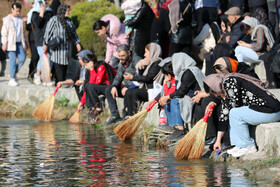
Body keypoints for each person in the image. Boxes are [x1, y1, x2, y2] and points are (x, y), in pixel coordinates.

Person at [204, 73, 280, 157]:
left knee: (235, 113)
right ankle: (238, 145)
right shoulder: (226, 86)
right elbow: (224, 113)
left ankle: (247, 146)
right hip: (268, 111)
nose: (216, 95)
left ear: (215, 86)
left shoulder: (230, 82)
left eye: (214, 92)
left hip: (271, 111)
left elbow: (232, 107)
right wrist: (218, 141)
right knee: (233, 112)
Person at [159, 53, 205, 141]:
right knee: (170, 100)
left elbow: (181, 91)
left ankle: (180, 130)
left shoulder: (190, 72)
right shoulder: (183, 72)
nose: (173, 66)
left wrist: (167, 97)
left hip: (198, 96)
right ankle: (175, 127)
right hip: (190, 95)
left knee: (175, 100)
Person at [43, 4, 81, 84]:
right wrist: (45, 44)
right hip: (57, 52)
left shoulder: (69, 21)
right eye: (68, 11)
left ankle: (59, 87)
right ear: (62, 11)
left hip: (67, 52)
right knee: (60, 74)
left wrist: (77, 43)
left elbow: (74, 33)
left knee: (64, 72)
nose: (69, 12)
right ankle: (59, 89)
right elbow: (48, 33)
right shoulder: (54, 20)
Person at [104, 44, 141, 126]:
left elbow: (140, 78)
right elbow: (118, 76)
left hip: (135, 87)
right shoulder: (122, 62)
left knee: (127, 92)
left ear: (129, 53)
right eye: (119, 56)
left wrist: (130, 87)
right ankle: (115, 116)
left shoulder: (137, 60)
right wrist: (114, 86)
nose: (121, 58)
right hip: (126, 86)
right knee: (108, 89)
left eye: (123, 55)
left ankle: (126, 116)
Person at [123, 43, 162, 118]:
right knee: (128, 91)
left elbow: (148, 78)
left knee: (134, 92)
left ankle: (133, 115)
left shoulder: (157, 63)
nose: (144, 55)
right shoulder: (150, 62)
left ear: (152, 52)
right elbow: (142, 78)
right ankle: (128, 114)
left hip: (153, 91)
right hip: (147, 89)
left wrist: (132, 77)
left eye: (146, 52)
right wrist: (140, 67)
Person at [77, 54, 116, 124]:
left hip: (110, 86)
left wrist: (92, 70)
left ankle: (97, 107)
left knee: (90, 86)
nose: (85, 67)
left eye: (86, 65)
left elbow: (96, 83)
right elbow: (88, 87)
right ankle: (92, 108)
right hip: (101, 86)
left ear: (91, 62)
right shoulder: (90, 70)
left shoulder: (101, 66)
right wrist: (82, 102)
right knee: (87, 86)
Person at [1, 3, 27, 87]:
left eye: (19, 11)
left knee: (22, 58)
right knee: (12, 60)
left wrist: (25, 42)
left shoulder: (20, 19)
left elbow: (22, 32)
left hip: (19, 43)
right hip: (10, 43)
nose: (18, 13)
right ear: (12, 9)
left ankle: (13, 72)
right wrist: (4, 43)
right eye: (16, 11)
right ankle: (12, 79)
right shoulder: (7, 19)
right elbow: (4, 33)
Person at [29, 0, 54, 85]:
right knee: (44, 57)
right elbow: (37, 24)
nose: (45, 4)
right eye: (43, 2)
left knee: (48, 57)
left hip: (49, 39)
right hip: (40, 39)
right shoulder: (35, 13)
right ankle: (40, 75)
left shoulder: (50, 12)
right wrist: (41, 13)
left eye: (46, 2)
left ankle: (44, 77)